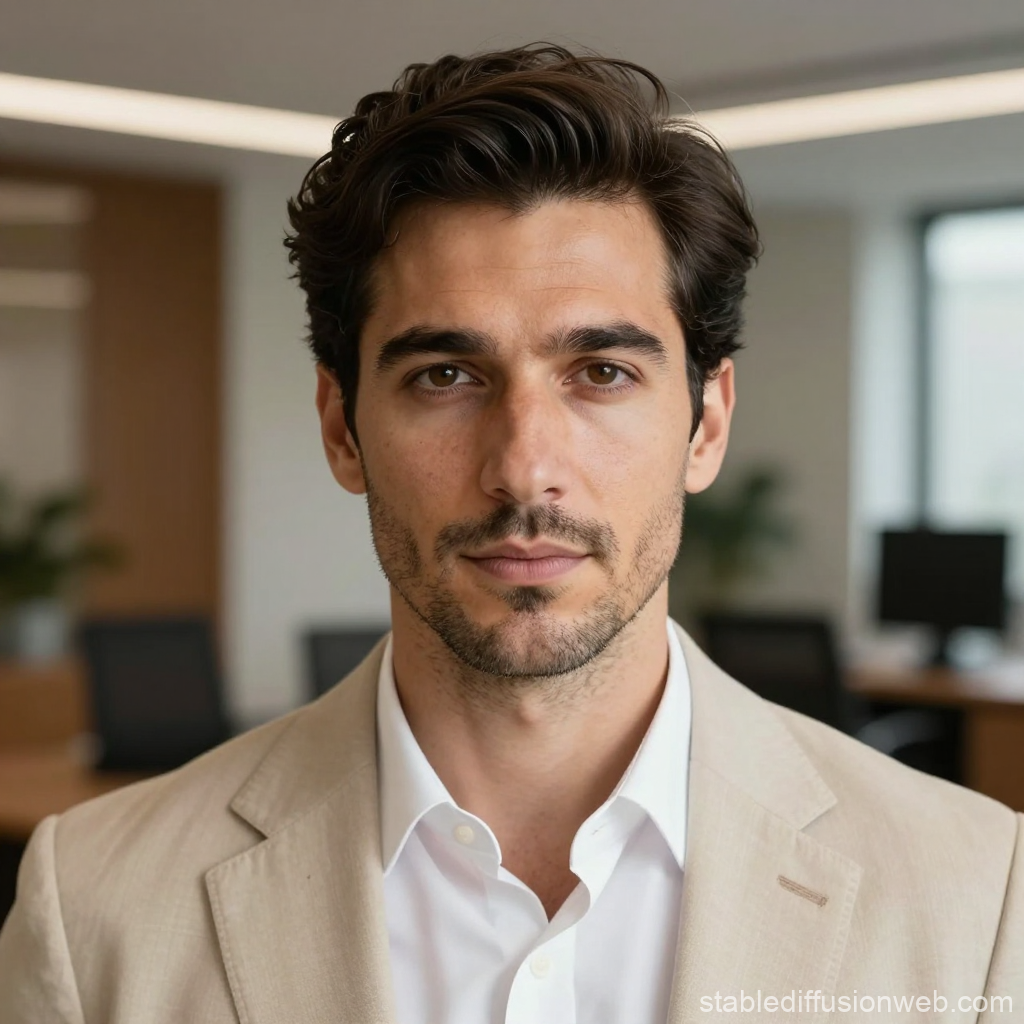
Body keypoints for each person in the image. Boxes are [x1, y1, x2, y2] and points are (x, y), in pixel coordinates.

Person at [0, 44, 1020, 1024]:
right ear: (340, 426)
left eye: (602, 373)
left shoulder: (974, 899)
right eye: (445, 376)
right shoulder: (96, 906)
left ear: (705, 423)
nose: (524, 465)